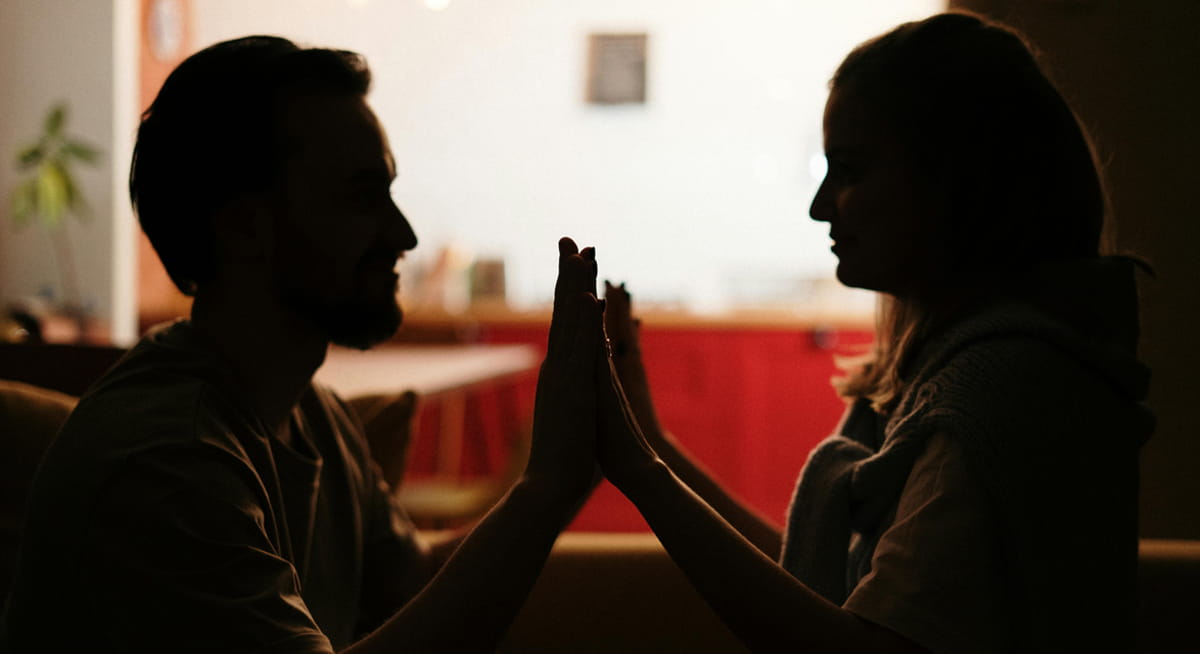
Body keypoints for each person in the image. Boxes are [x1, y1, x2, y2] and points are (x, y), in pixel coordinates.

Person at [0, 36, 605, 653]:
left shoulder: (314, 414)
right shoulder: (167, 459)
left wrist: (571, 471)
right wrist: (541, 491)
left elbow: (414, 583)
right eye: (362, 196)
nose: (404, 234)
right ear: (241, 225)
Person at [594, 12, 1154, 653]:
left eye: (851, 170)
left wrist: (639, 468)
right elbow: (818, 591)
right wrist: (653, 446)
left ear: (958, 181)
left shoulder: (997, 396)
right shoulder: (949, 369)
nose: (819, 206)